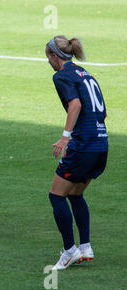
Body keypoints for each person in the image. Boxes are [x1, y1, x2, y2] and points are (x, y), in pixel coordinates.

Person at [45, 35, 108, 270]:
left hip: (83, 145)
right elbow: (102, 113)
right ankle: (85, 247)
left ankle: (70, 251)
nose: (48, 62)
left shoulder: (61, 75)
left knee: (56, 195)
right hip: (101, 143)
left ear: (54, 56)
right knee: (75, 194)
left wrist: (65, 137)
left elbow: (76, 105)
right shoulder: (86, 73)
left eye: (47, 57)